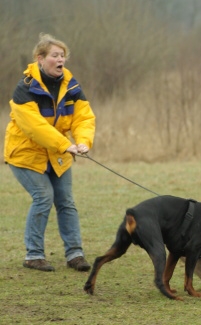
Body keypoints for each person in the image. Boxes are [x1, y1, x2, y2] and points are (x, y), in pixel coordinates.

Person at [4, 33, 96, 272]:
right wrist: (65, 144)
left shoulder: (71, 85)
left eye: (63, 56)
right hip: (24, 155)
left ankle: (75, 255)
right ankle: (33, 255)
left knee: (66, 201)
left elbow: (83, 117)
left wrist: (83, 141)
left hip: (57, 153)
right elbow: (35, 127)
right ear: (40, 59)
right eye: (55, 55)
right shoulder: (24, 89)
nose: (60, 60)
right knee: (43, 197)